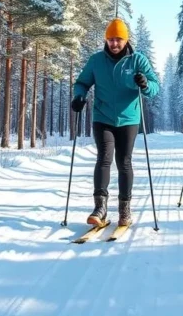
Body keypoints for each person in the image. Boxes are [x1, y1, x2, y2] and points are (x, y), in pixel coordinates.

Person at [71, 18, 160, 228]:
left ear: (125, 39)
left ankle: (124, 209)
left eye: (118, 39)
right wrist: (79, 97)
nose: (114, 43)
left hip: (129, 119)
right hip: (103, 117)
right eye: (110, 39)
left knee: (124, 162)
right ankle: (100, 208)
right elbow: (82, 83)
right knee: (104, 158)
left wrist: (145, 84)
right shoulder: (96, 61)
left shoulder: (137, 60)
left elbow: (155, 87)